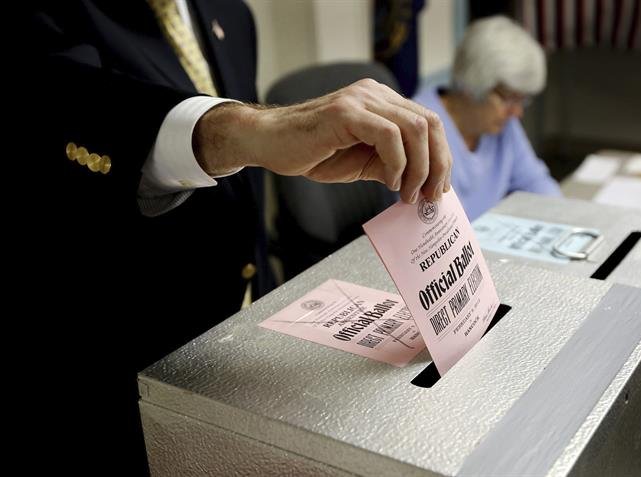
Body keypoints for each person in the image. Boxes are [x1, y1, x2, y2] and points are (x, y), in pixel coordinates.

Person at [26, 1, 450, 473]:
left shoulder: (229, 12)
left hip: (245, 332)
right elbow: (67, 104)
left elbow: (240, 193)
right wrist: (248, 129)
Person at [413, 15, 560, 221]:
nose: (517, 113)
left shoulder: (504, 126)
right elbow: (435, 228)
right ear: (472, 84)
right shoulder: (420, 128)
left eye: (522, 100)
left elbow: (537, 183)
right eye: (510, 99)